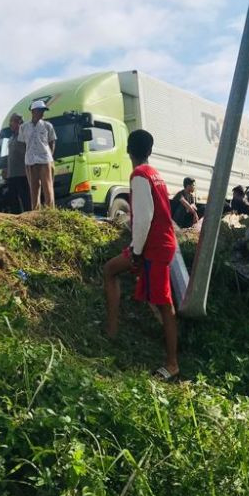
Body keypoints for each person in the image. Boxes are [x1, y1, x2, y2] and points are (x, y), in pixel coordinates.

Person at [103, 130, 179, 381]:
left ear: (128, 150)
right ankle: (111, 334)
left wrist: (136, 253)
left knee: (164, 306)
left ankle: (172, 364)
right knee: (110, 269)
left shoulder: (138, 175)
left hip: (153, 246)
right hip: (154, 243)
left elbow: (145, 218)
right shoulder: (154, 173)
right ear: (149, 150)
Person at [19, 100, 57, 209]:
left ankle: (50, 210)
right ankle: (35, 211)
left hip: (45, 159)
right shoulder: (24, 127)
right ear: (33, 111)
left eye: (43, 111)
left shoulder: (47, 125)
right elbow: (22, 144)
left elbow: (52, 142)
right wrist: (26, 155)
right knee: (34, 187)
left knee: (47, 186)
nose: (42, 113)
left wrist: (50, 156)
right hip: (30, 160)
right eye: (40, 110)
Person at [4, 113, 30, 213]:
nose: (10, 124)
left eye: (13, 121)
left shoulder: (25, 136)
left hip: (23, 173)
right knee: (13, 199)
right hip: (12, 175)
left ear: (19, 123)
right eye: (10, 121)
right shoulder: (10, 138)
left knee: (26, 198)